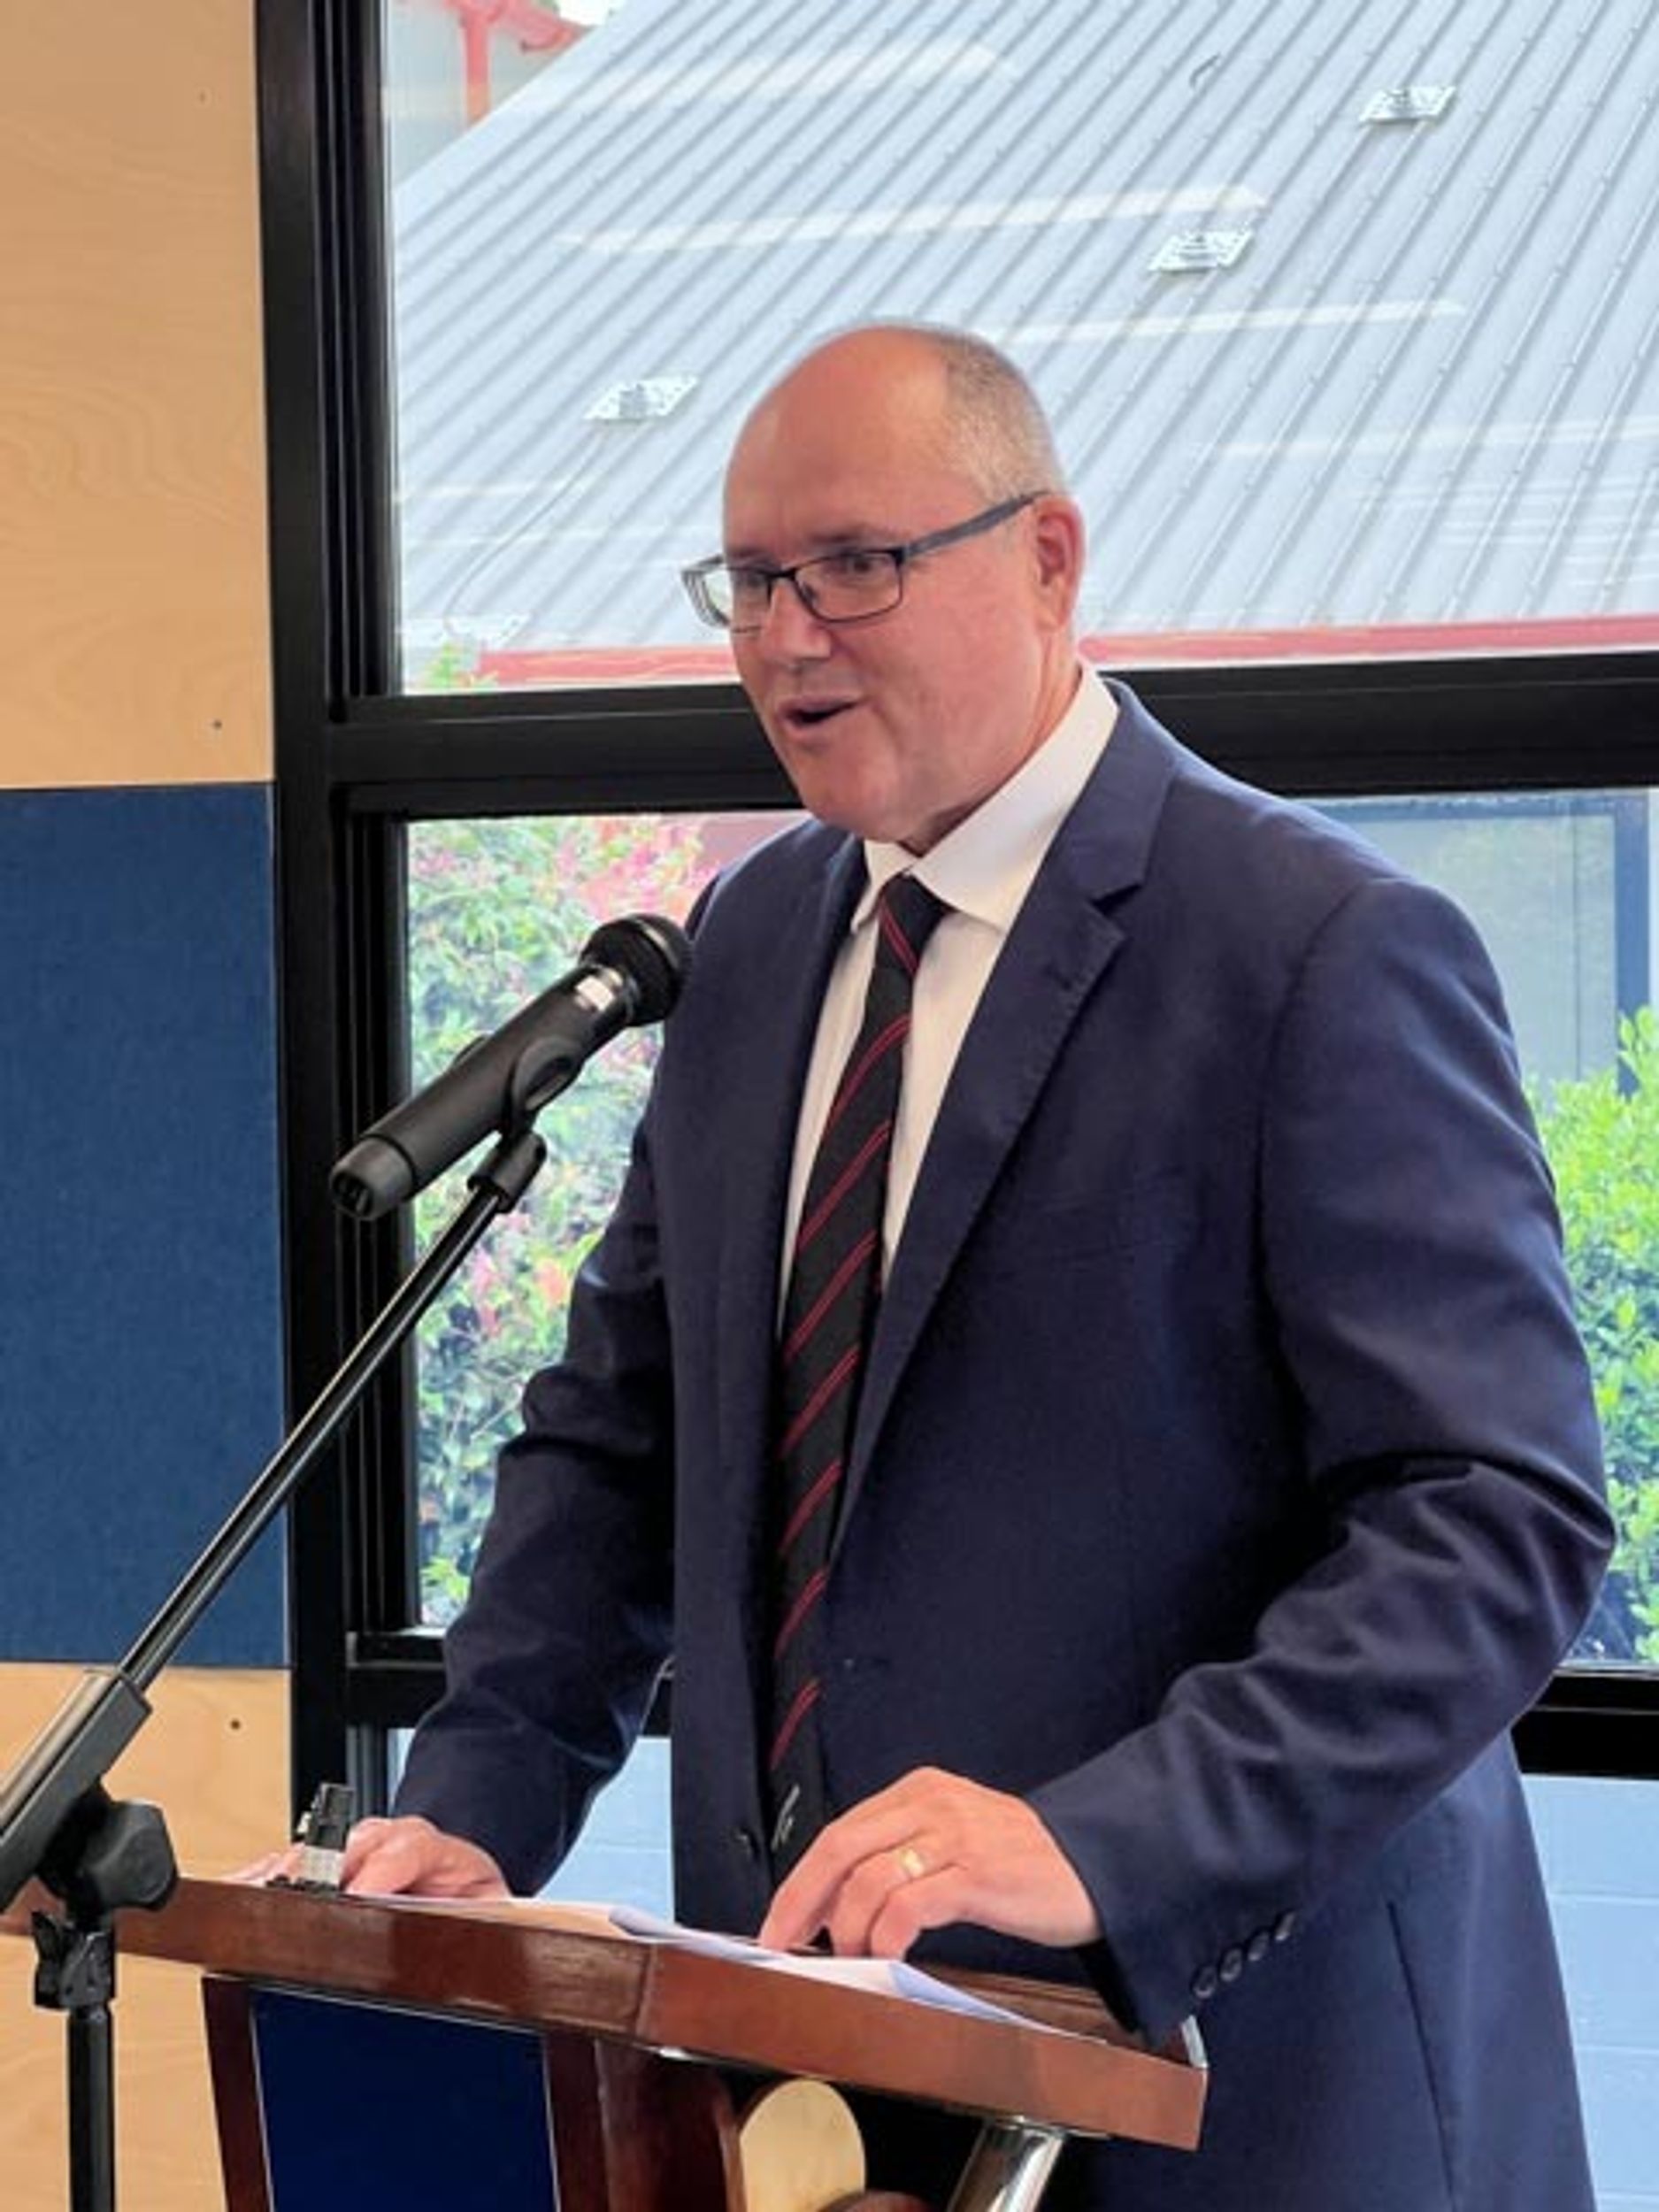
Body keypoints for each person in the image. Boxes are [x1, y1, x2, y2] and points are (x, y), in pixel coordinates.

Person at [299, 326, 1613, 2208]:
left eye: (855, 565)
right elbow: (618, 1446)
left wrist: (1100, 1840)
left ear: (1048, 558)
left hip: (1250, 2097)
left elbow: (1492, 1520)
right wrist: (468, 1815)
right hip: (827, 2096)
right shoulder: (749, 944)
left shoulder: (1316, 946)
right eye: (751, 581)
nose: (787, 638)